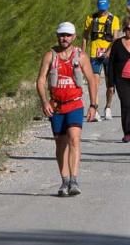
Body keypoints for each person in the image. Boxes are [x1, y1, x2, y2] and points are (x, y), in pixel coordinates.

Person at [36, 22, 99, 196]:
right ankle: (64, 180)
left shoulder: (81, 56)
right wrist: (44, 102)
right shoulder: (50, 56)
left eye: (68, 35)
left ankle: (74, 179)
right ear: (57, 36)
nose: (65, 38)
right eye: (62, 35)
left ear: (74, 37)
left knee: (74, 138)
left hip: (75, 104)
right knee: (60, 143)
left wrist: (93, 104)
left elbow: (92, 80)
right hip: (56, 106)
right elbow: (41, 80)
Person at [83, 0, 120, 121]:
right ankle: (95, 108)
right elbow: (85, 37)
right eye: (100, 9)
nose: (102, 11)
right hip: (94, 54)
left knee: (110, 85)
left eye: (104, 9)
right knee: (94, 83)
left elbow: (115, 38)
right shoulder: (90, 19)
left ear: (108, 6)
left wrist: (109, 51)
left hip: (108, 56)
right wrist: (83, 53)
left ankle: (108, 107)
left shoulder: (114, 19)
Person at [108, 15, 130, 142]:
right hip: (122, 80)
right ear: (124, 29)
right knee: (126, 105)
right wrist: (110, 84)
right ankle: (127, 133)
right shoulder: (117, 44)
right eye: (128, 28)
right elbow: (111, 64)